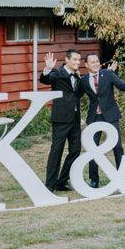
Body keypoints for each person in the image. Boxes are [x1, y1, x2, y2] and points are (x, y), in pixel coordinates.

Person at [79, 53, 125, 188]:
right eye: (92, 62)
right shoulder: (83, 81)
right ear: (86, 65)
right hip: (94, 118)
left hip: (110, 116)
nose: (96, 64)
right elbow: (76, 96)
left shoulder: (108, 74)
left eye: (97, 61)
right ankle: (94, 179)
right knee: (92, 148)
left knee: (118, 147)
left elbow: (121, 85)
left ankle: (122, 177)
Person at [40, 50, 82, 192]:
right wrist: (48, 69)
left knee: (75, 151)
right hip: (61, 119)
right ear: (67, 59)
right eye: (75, 59)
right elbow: (46, 80)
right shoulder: (57, 73)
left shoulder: (77, 75)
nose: (77, 62)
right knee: (56, 151)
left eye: (79, 60)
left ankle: (62, 181)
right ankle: (50, 185)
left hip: (75, 119)